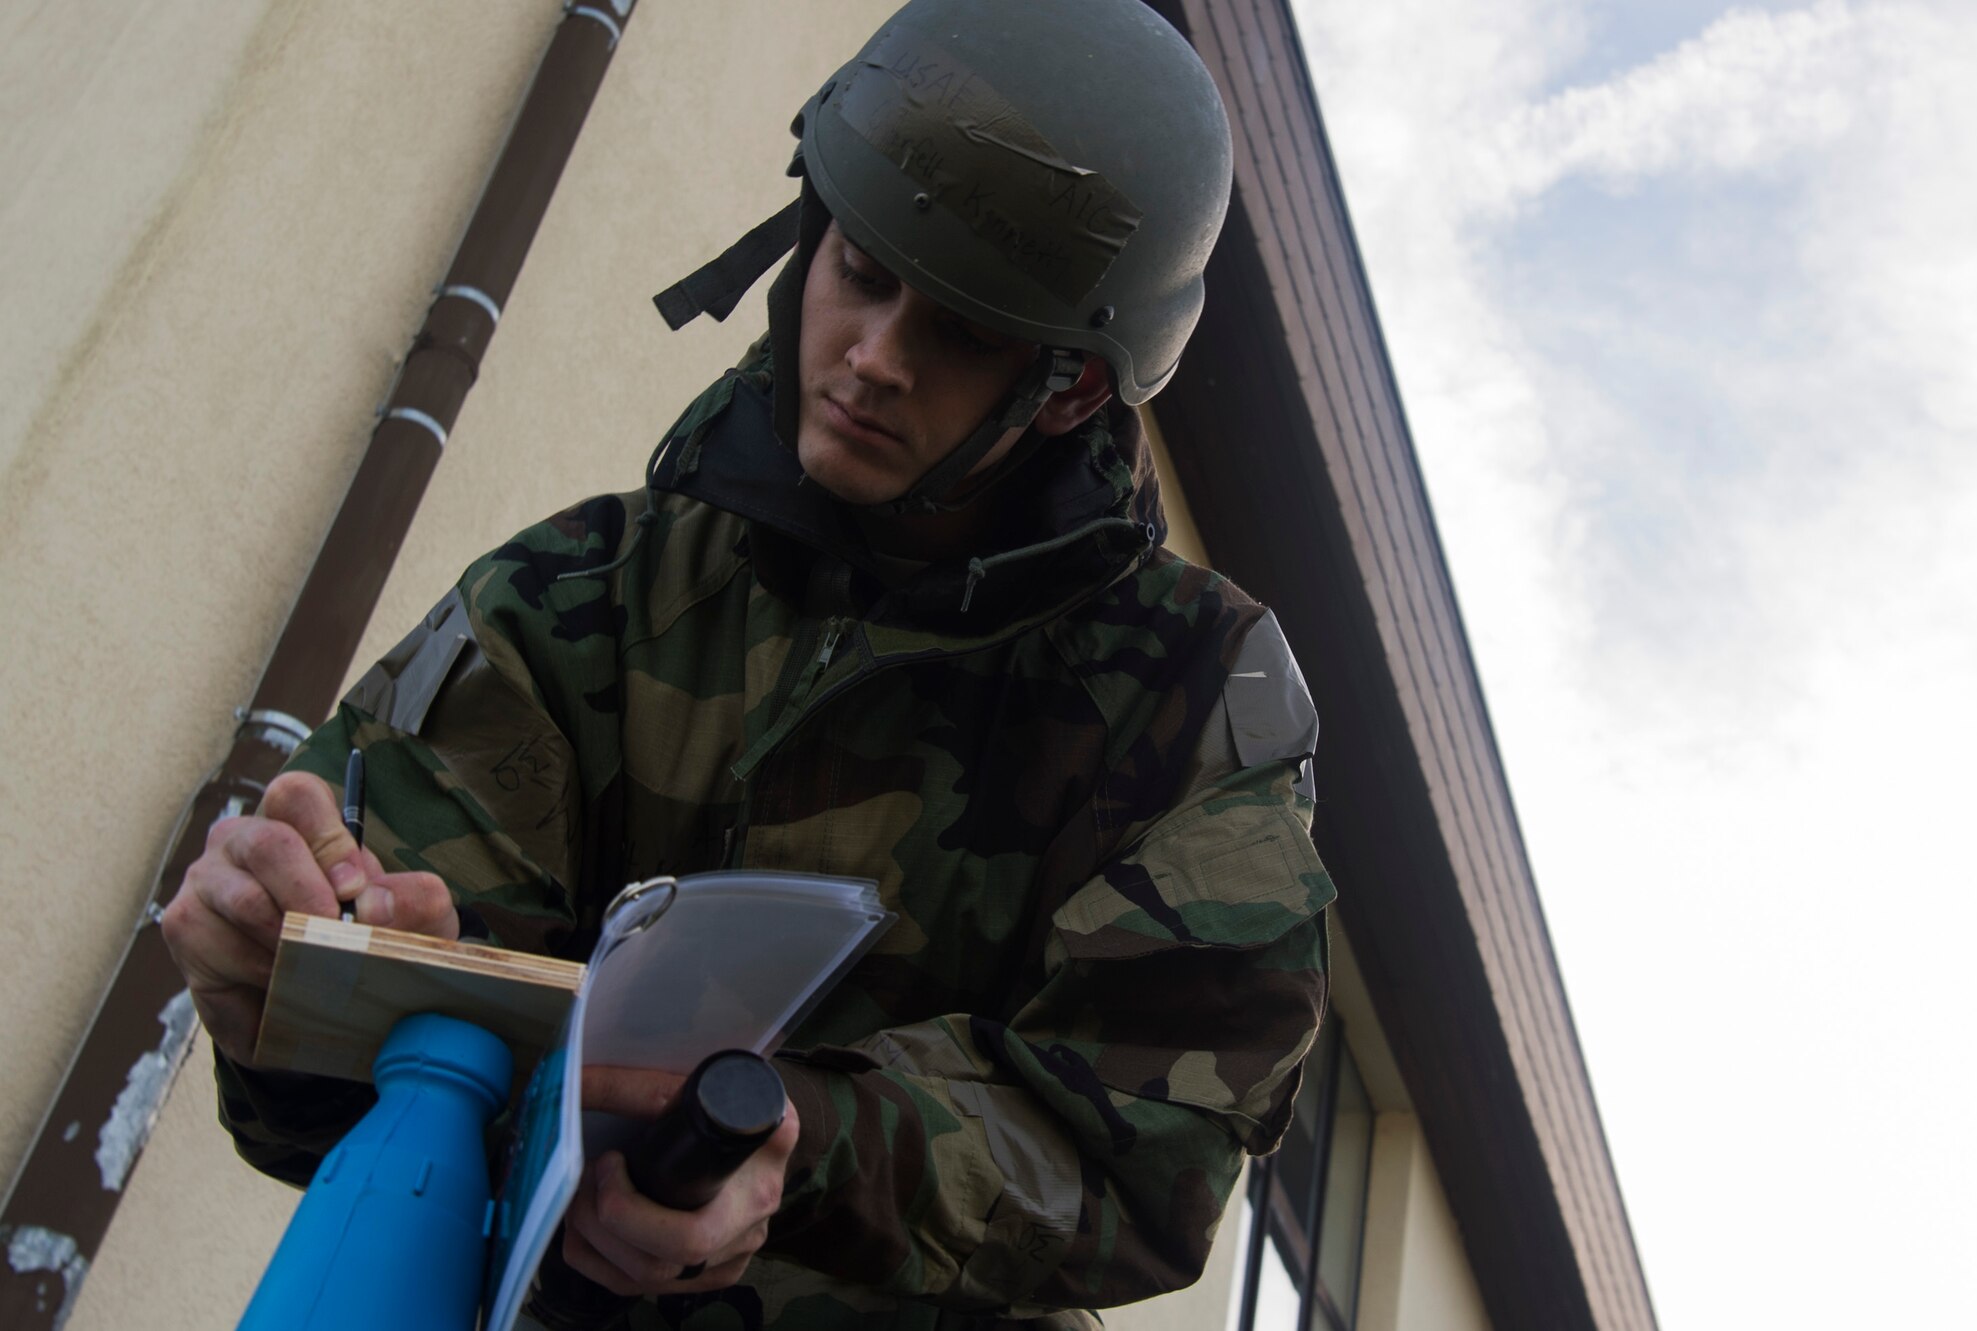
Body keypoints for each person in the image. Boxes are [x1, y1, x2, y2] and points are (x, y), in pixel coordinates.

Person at [162, 1, 1335, 1327]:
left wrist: (802, 1148)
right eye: (865, 269)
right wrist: (323, 992)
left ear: (1067, 389)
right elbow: (343, 1135)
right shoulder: (579, 594)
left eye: (957, 330)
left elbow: (1145, 1152)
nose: (874, 357)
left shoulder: (1189, 695)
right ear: (807, 238)